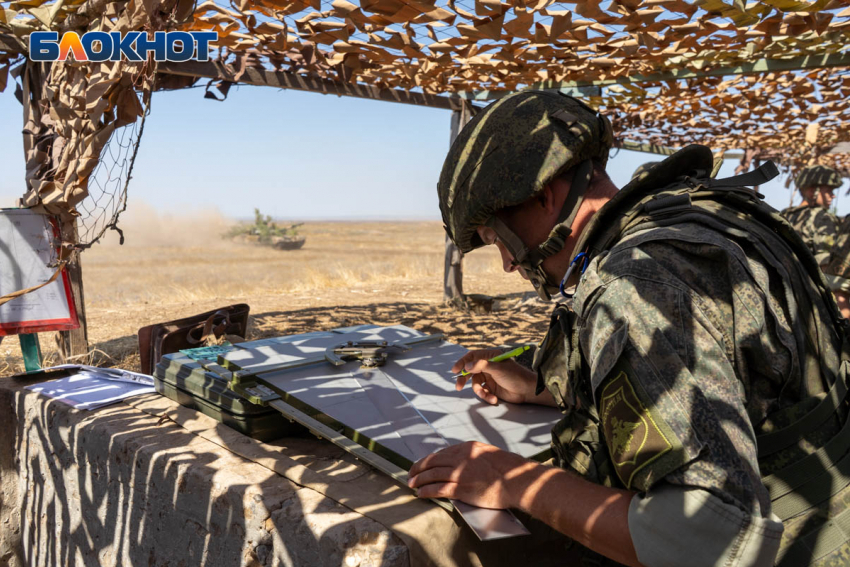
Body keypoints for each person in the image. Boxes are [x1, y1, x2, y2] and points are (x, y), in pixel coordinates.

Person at [408, 91, 850, 567]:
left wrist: (512, 479)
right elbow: (731, 375)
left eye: (499, 237)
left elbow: (706, 541)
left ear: (544, 196)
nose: (509, 263)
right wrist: (540, 385)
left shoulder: (634, 279)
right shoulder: (700, 219)